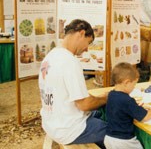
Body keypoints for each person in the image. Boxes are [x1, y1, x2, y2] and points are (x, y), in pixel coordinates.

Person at [38, 19, 107, 148]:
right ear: (81, 33)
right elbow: (84, 104)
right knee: (118, 132)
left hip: (50, 122)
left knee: (98, 114)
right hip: (69, 129)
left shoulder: (51, 55)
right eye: (88, 42)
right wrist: (106, 97)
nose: (86, 49)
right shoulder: (69, 61)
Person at [104, 62, 151, 149]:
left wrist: (135, 106)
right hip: (124, 142)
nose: (134, 88)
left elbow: (121, 108)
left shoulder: (111, 94)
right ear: (126, 83)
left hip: (109, 138)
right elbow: (145, 117)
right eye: (134, 85)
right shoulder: (127, 100)